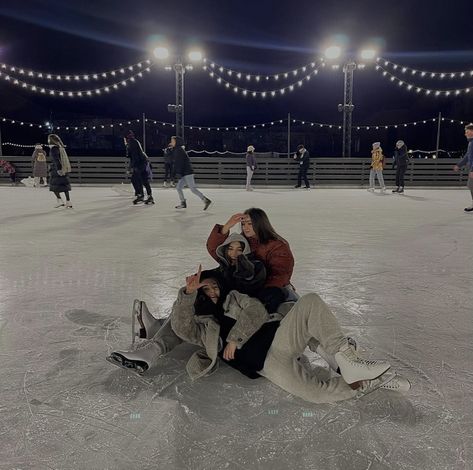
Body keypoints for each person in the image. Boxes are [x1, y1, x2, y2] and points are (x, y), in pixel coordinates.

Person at [110, 267, 410, 404]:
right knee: (318, 395)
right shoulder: (203, 324)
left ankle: (349, 358)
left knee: (310, 301)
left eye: (214, 286)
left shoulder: (235, 299)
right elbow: (181, 326)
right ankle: (367, 381)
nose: (212, 291)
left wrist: (234, 339)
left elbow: (255, 311)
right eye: (206, 289)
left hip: (279, 338)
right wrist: (187, 295)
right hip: (267, 365)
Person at [207, 208, 295, 313]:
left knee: (272, 296)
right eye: (243, 224)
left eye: (250, 224)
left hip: (270, 289)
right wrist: (227, 226)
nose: (246, 228)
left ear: (260, 224)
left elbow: (280, 274)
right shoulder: (242, 241)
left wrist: (255, 291)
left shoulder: (277, 245)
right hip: (245, 286)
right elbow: (217, 251)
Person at [214, 232, 266, 297]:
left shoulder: (257, 266)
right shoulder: (222, 269)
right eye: (230, 249)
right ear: (225, 250)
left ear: (245, 251)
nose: (234, 253)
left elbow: (253, 288)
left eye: (239, 250)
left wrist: (247, 275)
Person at [170, 135, 212, 210]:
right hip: (184, 173)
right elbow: (176, 162)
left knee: (193, 189)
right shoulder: (177, 149)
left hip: (187, 173)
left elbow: (179, 163)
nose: (171, 142)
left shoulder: (179, 150)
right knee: (179, 187)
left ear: (177, 142)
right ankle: (183, 203)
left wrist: (177, 173)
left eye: (172, 141)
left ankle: (206, 200)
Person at [125, 131, 154, 205]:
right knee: (143, 180)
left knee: (136, 179)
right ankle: (149, 196)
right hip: (142, 162)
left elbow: (134, 156)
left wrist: (134, 167)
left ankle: (141, 195)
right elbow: (132, 155)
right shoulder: (134, 142)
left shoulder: (132, 142)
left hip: (140, 163)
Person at [48, 134, 73, 208]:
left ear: (51, 140)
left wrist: (58, 169)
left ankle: (60, 200)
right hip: (63, 167)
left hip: (56, 169)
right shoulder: (60, 147)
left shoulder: (53, 148)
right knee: (64, 185)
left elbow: (56, 159)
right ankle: (68, 202)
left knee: (53, 186)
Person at [453, 123, 473, 212]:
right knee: (470, 185)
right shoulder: (471, 143)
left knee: (471, 185)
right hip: (471, 168)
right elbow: (467, 156)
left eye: (467, 131)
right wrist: (459, 165)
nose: (465, 134)